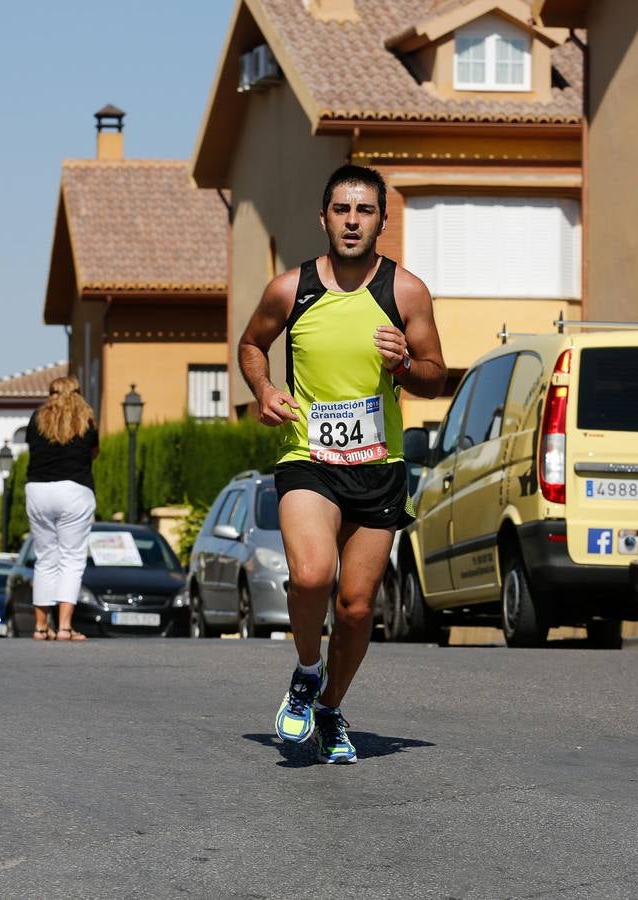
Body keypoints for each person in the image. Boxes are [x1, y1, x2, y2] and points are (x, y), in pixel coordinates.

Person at [238, 164, 447, 763]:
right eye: (341, 210)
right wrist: (265, 389)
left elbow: (437, 377)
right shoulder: (291, 289)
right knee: (310, 576)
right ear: (323, 217)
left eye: (364, 211)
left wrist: (405, 364)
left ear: (383, 220)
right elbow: (252, 344)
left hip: (378, 462)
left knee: (357, 606)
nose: (352, 221)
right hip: (308, 454)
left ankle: (329, 707)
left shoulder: (406, 291)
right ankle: (307, 672)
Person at [24, 376, 99, 641]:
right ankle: (65, 627)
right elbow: (94, 452)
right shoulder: (86, 418)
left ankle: (41, 627)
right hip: (75, 491)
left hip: (39, 490)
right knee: (71, 559)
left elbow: (33, 447)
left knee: (45, 558)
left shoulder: (37, 418)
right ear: (77, 392)